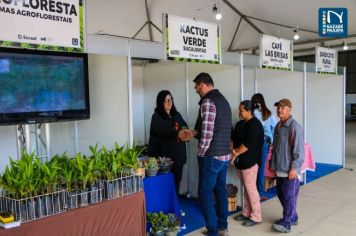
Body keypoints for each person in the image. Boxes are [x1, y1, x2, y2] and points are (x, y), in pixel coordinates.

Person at [193, 72, 232, 236]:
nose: (196, 90)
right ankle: (223, 227)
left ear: (202, 85)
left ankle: (213, 230)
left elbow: (207, 133)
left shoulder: (208, 102)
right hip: (224, 155)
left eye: (196, 87)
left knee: (204, 192)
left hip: (212, 156)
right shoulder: (224, 100)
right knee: (220, 190)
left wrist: (201, 153)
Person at [270, 99, 304, 233]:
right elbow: (276, 148)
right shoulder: (278, 126)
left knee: (289, 196)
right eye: (278, 107)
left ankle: (287, 223)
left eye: (283, 107)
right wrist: (272, 165)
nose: (280, 110)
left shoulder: (295, 127)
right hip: (279, 169)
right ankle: (293, 216)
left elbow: (299, 151)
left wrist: (294, 168)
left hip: (290, 170)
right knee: (281, 194)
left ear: (290, 109)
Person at [148, 90, 192, 195]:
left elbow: (184, 126)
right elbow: (162, 130)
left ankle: (174, 206)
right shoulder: (157, 117)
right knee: (165, 184)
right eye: (166, 100)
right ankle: (165, 209)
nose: (169, 102)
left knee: (176, 182)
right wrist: (176, 132)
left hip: (178, 157)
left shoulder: (176, 115)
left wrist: (186, 132)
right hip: (164, 159)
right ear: (160, 102)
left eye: (171, 99)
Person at [231, 100, 264, 227]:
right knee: (246, 188)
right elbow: (234, 139)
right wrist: (233, 152)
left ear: (249, 111)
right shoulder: (240, 123)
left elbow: (248, 143)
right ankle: (247, 212)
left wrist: (235, 153)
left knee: (251, 189)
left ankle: (256, 216)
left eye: (242, 110)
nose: (239, 112)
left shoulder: (255, 125)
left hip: (250, 162)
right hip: (241, 162)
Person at [251, 93, 277, 201]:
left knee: (252, 168)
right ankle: (260, 194)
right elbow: (275, 129)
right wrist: (272, 141)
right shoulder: (269, 114)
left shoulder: (252, 113)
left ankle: (251, 193)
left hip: (253, 142)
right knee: (261, 170)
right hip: (264, 142)